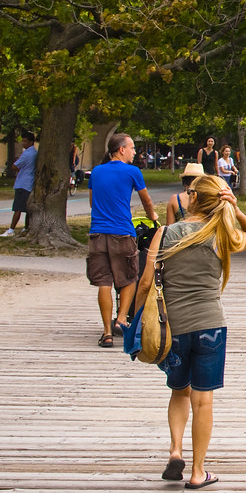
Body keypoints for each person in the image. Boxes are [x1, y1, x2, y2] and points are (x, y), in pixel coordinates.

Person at [136, 174, 246, 489]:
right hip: (210, 327)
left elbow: (146, 283)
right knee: (203, 400)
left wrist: (133, 319)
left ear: (192, 198)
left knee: (180, 391)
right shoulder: (223, 235)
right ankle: (197, 471)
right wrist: (237, 208)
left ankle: (175, 449)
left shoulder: (164, 234)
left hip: (173, 328)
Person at [88, 133, 159, 347]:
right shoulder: (132, 172)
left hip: (97, 234)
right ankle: (120, 319)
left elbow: (92, 203)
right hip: (122, 233)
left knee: (104, 282)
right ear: (121, 150)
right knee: (129, 277)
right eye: (132, 148)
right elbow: (146, 201)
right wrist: (152, 216)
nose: (135, 152)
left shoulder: (96, 172)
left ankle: (107, 333)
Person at [0, 132, 37, 238]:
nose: (23, 143)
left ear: (31, 142)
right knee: (27, 208)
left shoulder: (27, 154)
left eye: (25, 141)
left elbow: (14, 167)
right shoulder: (35, 153)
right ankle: (26, 227)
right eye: (22, 141)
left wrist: (16, 162)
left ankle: (11, 230)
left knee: (18, 208)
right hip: (29, 183)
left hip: (23, 183)